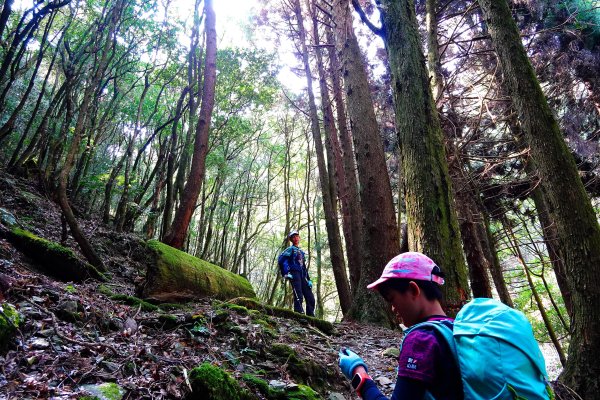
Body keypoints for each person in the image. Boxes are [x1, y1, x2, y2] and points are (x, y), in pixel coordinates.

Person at [338, 252, 462, 399]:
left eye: (392, 299)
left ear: (413, 290)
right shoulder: (456, 329)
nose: (393, 309)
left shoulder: (420, 339)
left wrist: (358, 372)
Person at [280, 229, 316, 317]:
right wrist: (286, 273)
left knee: (310, 297)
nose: (295, 238)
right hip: (294, 274)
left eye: (296, 236)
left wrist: (309, 279)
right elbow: (281, 260)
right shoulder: (290, 249)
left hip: (303, 275)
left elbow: (304, 267)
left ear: (299, 238)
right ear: (291, 240)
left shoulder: (301, 252)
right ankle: (298, 315)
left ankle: (311, 316)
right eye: (293, 237)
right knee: (298, 295)